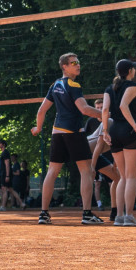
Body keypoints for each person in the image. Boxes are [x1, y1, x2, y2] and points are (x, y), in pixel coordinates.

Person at [31, 53, 106, 226]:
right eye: (73, 63)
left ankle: (44, 214)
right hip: (73, 131)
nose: (78, 65)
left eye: (78, 62)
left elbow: (42, 110)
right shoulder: (73, 85)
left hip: (57, 132)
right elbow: (84, 109)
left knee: (52, 171)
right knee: (86, 171)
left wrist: (38, 128)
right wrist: (104, 115)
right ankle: (87, 214)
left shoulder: (55, 84)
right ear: (64, 66)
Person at [99, 60, 136, 227]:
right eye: (134, 69)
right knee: (131, 176)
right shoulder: (132, 86)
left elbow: (105, 110)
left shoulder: (109, 88)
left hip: (114, 131)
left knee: (123, 177)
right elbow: (123, 106)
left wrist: (105, 131)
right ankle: (129, 216)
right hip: (129, 130)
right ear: (130, 70)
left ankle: (119, 216)